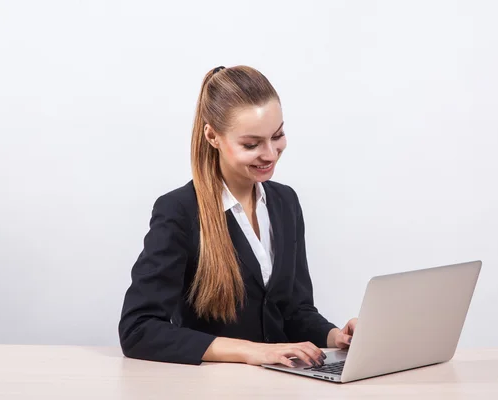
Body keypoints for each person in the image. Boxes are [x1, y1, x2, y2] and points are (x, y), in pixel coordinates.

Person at [118, 65, 357, 368]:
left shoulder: (285, 202)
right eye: (251, 144)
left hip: (281, 385)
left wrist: (337, 337)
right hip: (213, 388)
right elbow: (138, 330)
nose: (270, 154)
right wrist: (251, 352)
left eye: (278, 135)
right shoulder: (179, 211)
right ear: (212, 136)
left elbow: (294, 312)